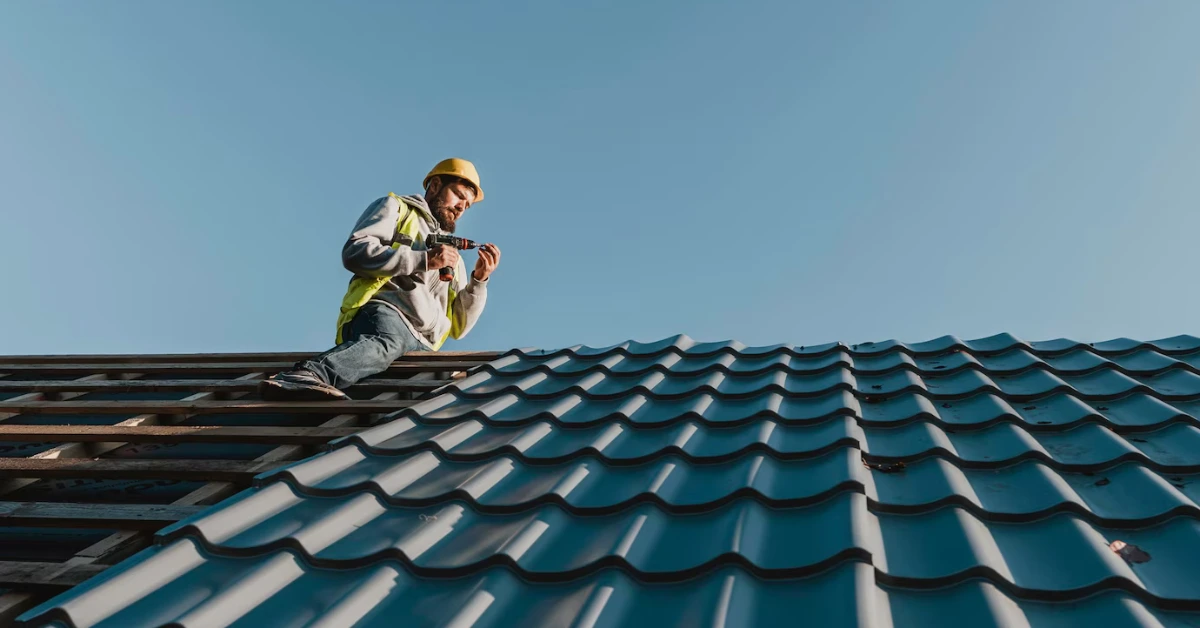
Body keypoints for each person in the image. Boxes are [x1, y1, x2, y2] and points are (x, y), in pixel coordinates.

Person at [259, 158, 501, 400]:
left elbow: (459, 328)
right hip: (388, 317)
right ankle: (308, 374)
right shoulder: (397, 209)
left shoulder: (453, 259)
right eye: (458, 196)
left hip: (424, 345)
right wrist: (424, 260)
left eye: (467, 205)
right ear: (435, 185)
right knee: (386, 342)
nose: (461, 207)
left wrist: (479, 281)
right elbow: (355, 253)